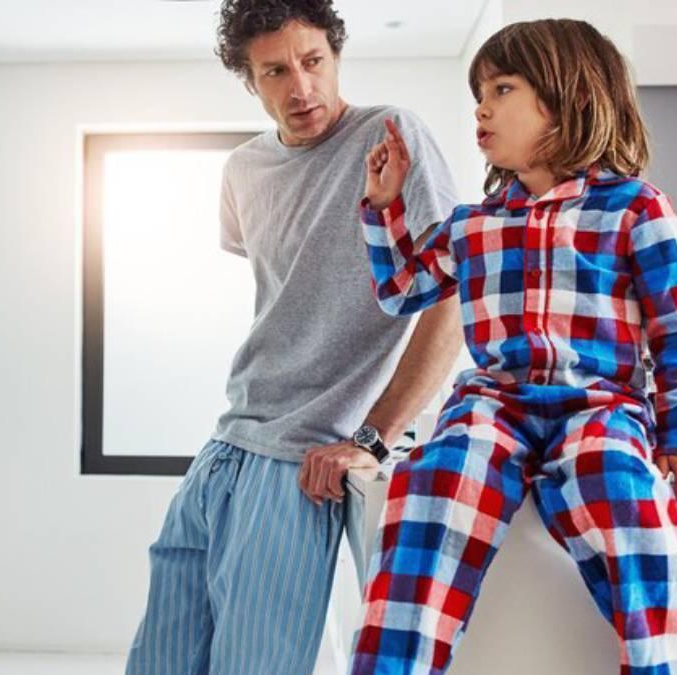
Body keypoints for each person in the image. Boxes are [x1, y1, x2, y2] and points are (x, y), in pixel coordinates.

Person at [350, 19, 677, 675]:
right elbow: (402, 290)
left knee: (624, 488)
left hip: (599, 405)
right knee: (434, 477)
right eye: (479, 92)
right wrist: (383, 208)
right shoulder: (474, 225)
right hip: (492, 403)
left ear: (569, 99)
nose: (482, 106)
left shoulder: (634, 210)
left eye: (502, 88)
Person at [125, 1, 464, 673]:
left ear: (336, 57)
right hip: (224, 446)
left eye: (313, 62)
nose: (300, 88)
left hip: (299, 461)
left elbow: (450, 301)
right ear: (250, 81)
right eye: (275, 70)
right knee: (158, 661)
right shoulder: (242, 172)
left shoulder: (391, 138)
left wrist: (372, 436)